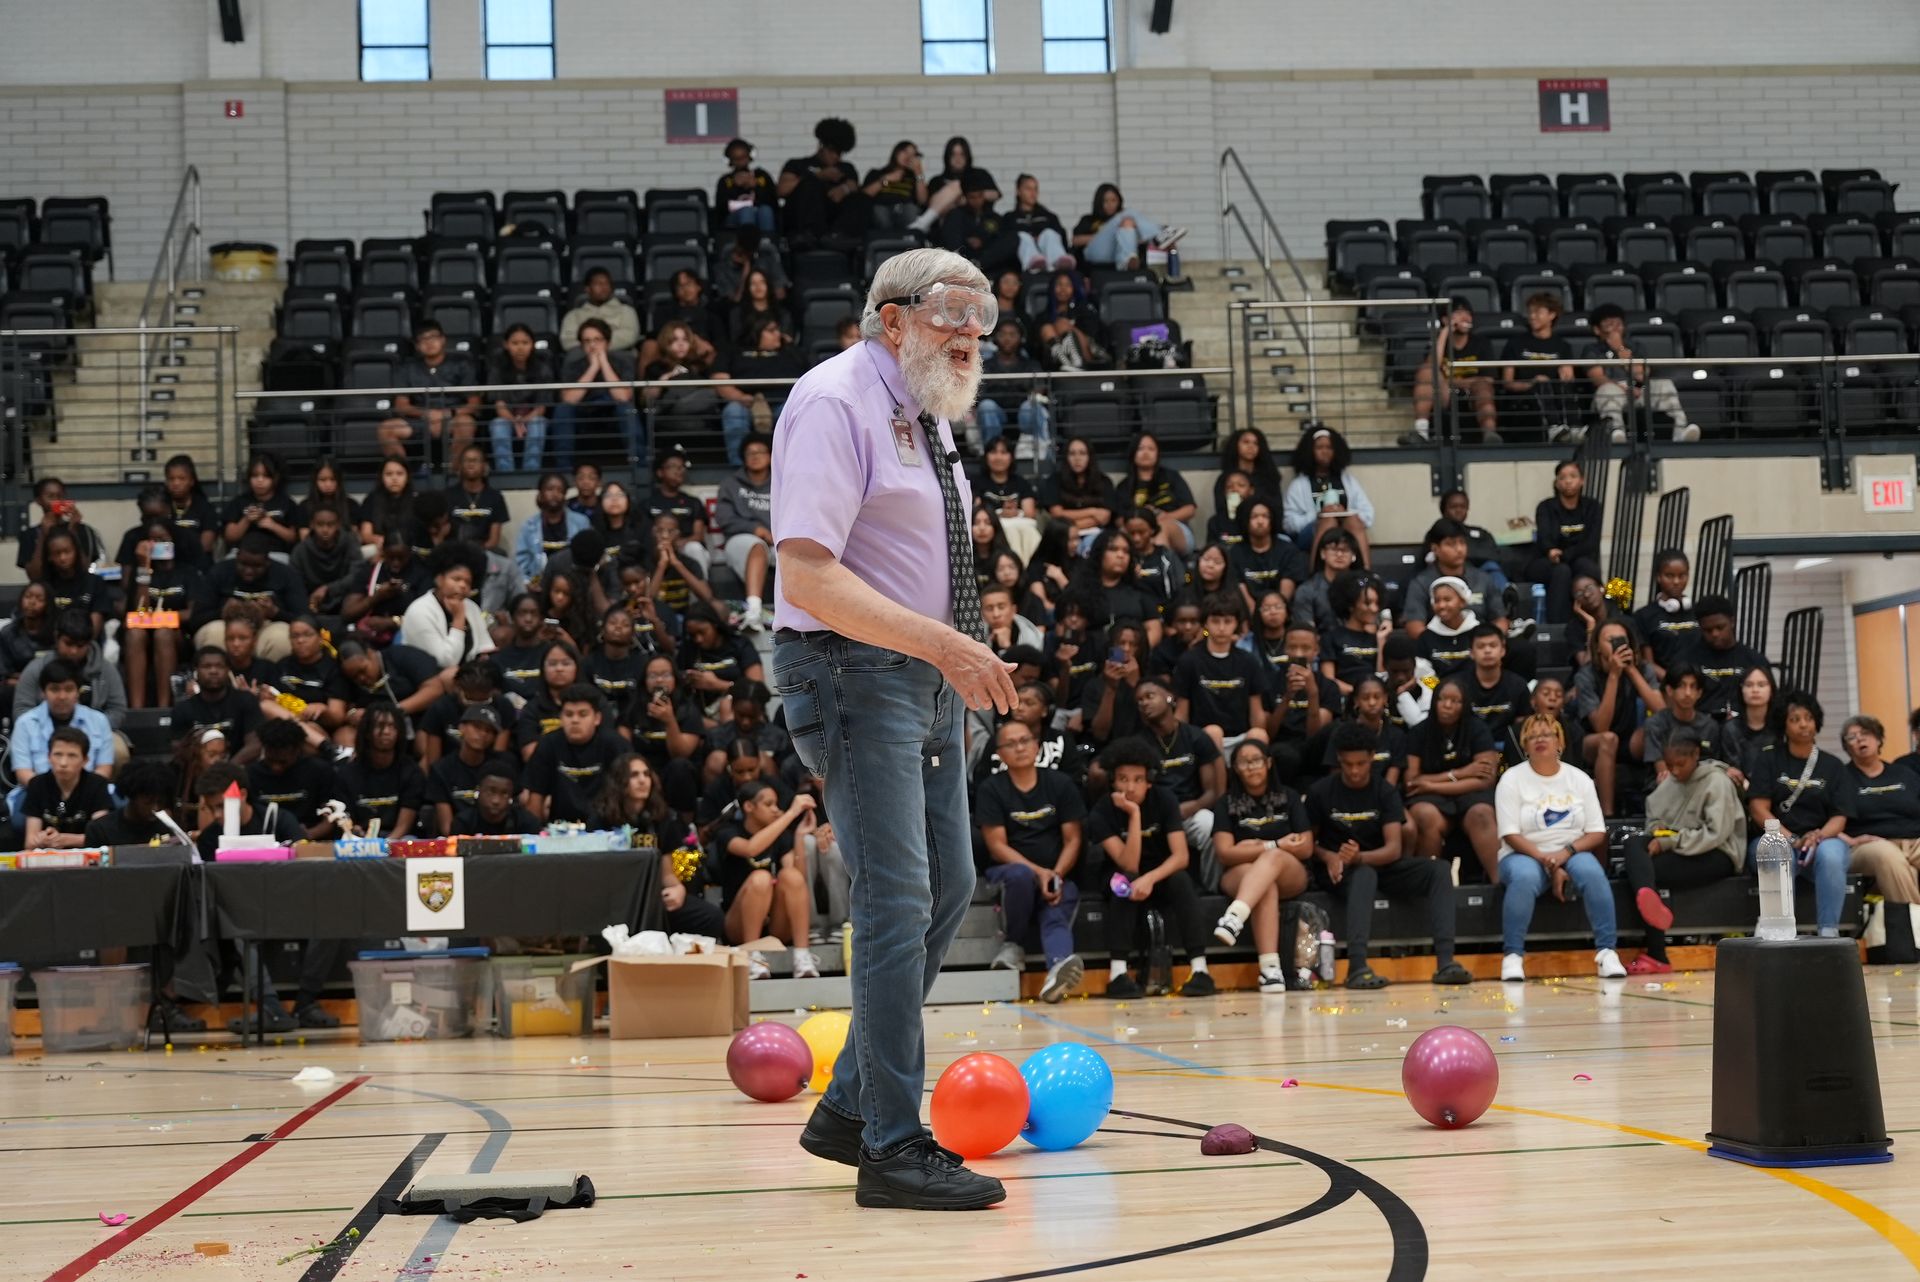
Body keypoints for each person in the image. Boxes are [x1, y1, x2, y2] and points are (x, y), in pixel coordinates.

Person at [771, 247, 1016, 1208]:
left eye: (983, 317)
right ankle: (891, 1145)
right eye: (952, 313)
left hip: (921, 680)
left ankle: (845, 1108)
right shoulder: (836, 402)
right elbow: (808, 573)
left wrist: (953, 657)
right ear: (890, 319)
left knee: (949, 886)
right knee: (894, 901)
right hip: (849, 669)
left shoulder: (929, 413)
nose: (969, 333)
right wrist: (946, 646)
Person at [1307, 722, 1473, 989]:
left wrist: (1359, 857)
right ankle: (1357, 967)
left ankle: (1446, 963)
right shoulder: (1321, 792)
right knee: (1364, 874)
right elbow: (1307, 843)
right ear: (1339, 759)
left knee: (1439, 870)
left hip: (1377, 863)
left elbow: (1393, 848)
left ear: (1372, 758)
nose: (1354, 771)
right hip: (1341, 873)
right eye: (1348, 764)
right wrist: (1329, 857)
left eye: (1360, 763)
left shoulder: (1384, 791)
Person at [1495, 713, 1624, 980]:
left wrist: (1565, 853)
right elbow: (1509, 834)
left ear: (1560, 742)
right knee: (1525, 876)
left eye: (1546, 734)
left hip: (1571, 850)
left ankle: (1607, 953)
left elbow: (1596, 831)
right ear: (1524, 745)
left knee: (1591, 872)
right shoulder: (1511, 779)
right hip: (1523, 852)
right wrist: (1545, 859)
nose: (1540, 739)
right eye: (1532, 736)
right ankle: (1513, 956)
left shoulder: (1579, 779)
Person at [1086, 737, 1216, 999]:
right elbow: (1128, 863)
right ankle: (1118, 974)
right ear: (1113, 781)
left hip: (1160, 871)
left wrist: (1151, 879)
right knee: (1123, 882)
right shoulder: (1101, 811)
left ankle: (1200, 969)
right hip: (1119, 874)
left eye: (1137, 780)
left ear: (1149, 781)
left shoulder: (1165, 799)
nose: (1130, 787)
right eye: (1123, 779)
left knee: (1181, 880)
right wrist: (1134, 815)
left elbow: (1180, 857)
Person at [976, 719, 1087, 1002]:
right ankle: (1013, 945)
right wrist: (1039, 872)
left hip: (1056, 871)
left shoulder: (1060, 784)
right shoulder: (991, 789)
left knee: (1056, 907)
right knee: (1020, 877)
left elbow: (1073, 839)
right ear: (999, 754)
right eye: (1011, 744)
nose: (1020, 748)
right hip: (1010, 874)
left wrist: (1056, 874)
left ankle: (1057, 971)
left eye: (1025, 740)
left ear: (1037, 746)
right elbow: (997, 845)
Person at [1620, 728, 1744, 973]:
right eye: (1669, 764)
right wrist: (1659, 832)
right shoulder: (1669, 784)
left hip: (1718, 853)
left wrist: (1669, 842)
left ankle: (1657, 953)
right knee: (1633, 845)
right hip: (1680, 848)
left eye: (1681, 764)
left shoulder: (1717, 781)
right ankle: (1647, 896)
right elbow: (1653, 820)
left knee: (1640, 871)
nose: (1675, 771)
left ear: (1696, 754)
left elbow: (1715, 834)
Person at [1748, 691, 1854, 938]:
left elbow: (1840, 816)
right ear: (1783, 724)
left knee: (1832, 855)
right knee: (1779, 854)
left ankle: (1829, 932)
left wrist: (1818, 836)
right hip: (1775, 837)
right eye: (1795, 719)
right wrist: (1790, 839)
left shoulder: (1833, 765)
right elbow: (1758, 808)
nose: (1804, 724)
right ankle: (1777, 931)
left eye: (1808, 718)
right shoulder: (1769, 758)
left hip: (1821, 840)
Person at [1209, 740, 1313, 989]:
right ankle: (1270, 971)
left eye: (1256, 760)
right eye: (1244, 762)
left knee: (1273, 859)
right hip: (1240, 873)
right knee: (1265, 882)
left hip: (1290, 871)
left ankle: (1235, 916)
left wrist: (1257, 848)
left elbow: (1306, 846)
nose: (1251, 767)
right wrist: (1276, 843)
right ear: (1234, 768)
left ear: (1268, 763)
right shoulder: (1226, 803)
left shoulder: (1288, 797)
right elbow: (1224, 853)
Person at [598, 753, 729, 938]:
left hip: (654, 897)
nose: (642, 780)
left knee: (712, 918)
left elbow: (668, 870)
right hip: (615, 900)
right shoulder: (601, 817)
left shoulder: (662, 816)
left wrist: (678, 889)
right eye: (634, 775)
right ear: (619, 781)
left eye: (646, 774)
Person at [711, 781, 821, 974]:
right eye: (769, 804)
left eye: (777, 804)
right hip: (738, 925)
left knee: (790, 876)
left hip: (775, 925)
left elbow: (798, 880)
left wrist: (798, 837)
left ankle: (802, 956)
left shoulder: (781, 835)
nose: (775, 809)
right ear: (749, 807)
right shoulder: (728, 832)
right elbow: (750, 848)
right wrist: (790, 814)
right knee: (760, 878)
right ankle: (753, 955)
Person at [1404, 680, 1502, 879]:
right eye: (1442, 699)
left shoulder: (1478, 729)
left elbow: (1486, 780)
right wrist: (1463, 773)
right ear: (1434, 702)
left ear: (1464, 704)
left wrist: (1431, 783)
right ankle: (1429, 886)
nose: (1447, 705)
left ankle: (1499, 883)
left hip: (1470, 795)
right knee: (1423, 814)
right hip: (1433, 800)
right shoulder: (1419, 732)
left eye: (1455, 701)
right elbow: (1412, 783)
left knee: (1482, 813)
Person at [1584, 303, 1700, 443]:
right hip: (1613, 392)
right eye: (1609, 324)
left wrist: (1620, 350)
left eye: (1619, 324)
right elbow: (1598, 378)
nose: (1615, 329)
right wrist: (1625, 389)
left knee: (1664, 385)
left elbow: (1641, 375)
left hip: (1639, 390)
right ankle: (1615, 432)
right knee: (1607, 390)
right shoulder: (1591, 350)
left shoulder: (1636, 346)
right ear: (1597, 330)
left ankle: (1680, 431)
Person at [643, 320, 754, 466]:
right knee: (683, 395)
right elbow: (648, 399)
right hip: (669, 416)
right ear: (665, 342)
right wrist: (666, 379)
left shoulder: (700, 366)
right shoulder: (656, 367)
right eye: (674, 340)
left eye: (685, 340)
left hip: (699, 414)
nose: (681, 344)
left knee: (711, 394)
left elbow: (713, 392)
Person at [1840, 715, 1920, 914]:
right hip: (1866, 846)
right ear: (1847, 747)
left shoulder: (1904, 774)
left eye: (1865, 734)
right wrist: (1850, 840)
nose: (1860, 739)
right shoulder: (1840, 778)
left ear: (1878, 739)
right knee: (1888, 856)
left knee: (1904, 865)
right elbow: (1826, 823)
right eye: (1852, 737)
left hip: (1912, 841)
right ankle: (1915, 932)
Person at [379, 320, 480, 472]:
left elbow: (474, 403)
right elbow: (401, 405)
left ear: (443, 339)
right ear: (417, 346)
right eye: (423, 339)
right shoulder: (408, 368)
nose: (429, 343)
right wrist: (426, 414)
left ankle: (454, 475)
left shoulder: (462, 365)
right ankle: (404, 476)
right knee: (386, 429)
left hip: (452, 418)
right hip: (420, 420)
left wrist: (447, 414)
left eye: (433, 337)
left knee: (466, 424)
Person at [1173, 591, 1270, 752]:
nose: (1222, 628)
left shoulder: (1248, 661)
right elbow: (1182, 711)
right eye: (1215, 621)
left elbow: (1257, 712)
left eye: (1228, 621)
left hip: (1240, 739)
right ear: (1205, 623)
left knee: (1259, 734)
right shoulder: (1189, 661)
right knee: (1214, 732)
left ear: (1236, 624)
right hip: (1203, 738)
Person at [524, 684, 627, 825]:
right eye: (569, 714)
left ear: (597, 718)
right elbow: (536, 796)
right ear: (561, 717)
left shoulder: (615, 745)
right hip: (560, 828)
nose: (575, 720)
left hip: (607, 827)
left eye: (583, 714)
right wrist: (535, 835)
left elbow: (627, 794)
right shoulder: (548, 744)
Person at [1403, 299, 1501, 446]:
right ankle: (1421, 432)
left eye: (1467, 314)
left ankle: (1490, 435)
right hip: (1445, 393)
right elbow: (1432, 367)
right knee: (1425, 371)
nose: (1465, 318)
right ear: (1445, 319)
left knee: (1482, 387)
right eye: (1459, 314)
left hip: (1473, 393)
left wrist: (1460, 382)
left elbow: (1489, 379)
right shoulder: (1438, 343)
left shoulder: (1481, 342)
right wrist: (1444, 332)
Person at [553, 319, 643, 471]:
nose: (592, 345)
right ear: (581, 345)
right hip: (583, 412)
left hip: (613, 411)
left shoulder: (623, 361)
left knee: (626, 409)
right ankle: (564, 469)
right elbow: (568, 399)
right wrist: (593, 368)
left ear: (607, 342)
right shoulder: (573, 364)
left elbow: (622, 396)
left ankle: (640, 467)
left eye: (597, 340)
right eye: (587, 341)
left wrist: (604, 363)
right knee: (563, 410)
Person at [1524, 460, 1604, 626]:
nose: (1568, 481)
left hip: (1578, 557)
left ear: (1582, 480)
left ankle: (1600, 619)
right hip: (1546, 561)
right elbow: (1545, 539)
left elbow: (1591, 542)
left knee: (1587, 567)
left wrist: (1567, 553)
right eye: (1563, 477)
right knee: (1561, 571)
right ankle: (1558, 625)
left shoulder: (1592, 507)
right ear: (1557, 483)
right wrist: (1552, 551)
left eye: (1573, 476)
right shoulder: (1545, 507)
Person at [399, 542, 496, 670]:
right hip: (431, 677)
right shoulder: (419, 611)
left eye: (467, 582)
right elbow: (446, 661)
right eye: (456, 579)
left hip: (468, 677)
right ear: (439, 579)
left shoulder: (471, 607)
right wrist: (458, 619)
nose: (463, 585)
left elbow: (485, 646)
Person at [1283, 427, 1375, 561]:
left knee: (1354, 521)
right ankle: (1315, 572)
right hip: (1309, 534)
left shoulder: (1347, 480)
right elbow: (1288, 524)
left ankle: (1366, 574)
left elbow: (1368, 514)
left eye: (1329, 448)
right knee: (1328, 521)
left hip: (1344, 529)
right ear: (1310, 451)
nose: (1325, 452)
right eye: (1319, 448)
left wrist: (1345, 512)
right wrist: (1318, 515)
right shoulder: (1299, 485)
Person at [1499, 293, 1580, 442]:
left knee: (1563, 386)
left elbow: (1570, 377)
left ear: (1552, 315)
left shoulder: (1562, 346)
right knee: (1541, 382)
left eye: (1538, 312)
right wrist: (1530, 384)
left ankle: (1573, 428)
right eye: (1530, 312)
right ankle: (1553, 427)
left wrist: (1567, 376)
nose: (1532, 316)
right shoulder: (1515, 344)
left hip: (1555, 393)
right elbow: (1507, 382)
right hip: (1525, 396)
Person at [716, 434, 776, 631]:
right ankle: (754, 611)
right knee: (755, 545)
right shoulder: (731, 484)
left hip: (778, 540)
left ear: (770, 455)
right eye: (750, 453)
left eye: (760, 452)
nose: (755, 456)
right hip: (740, 540)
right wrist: (754, 529)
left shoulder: (782, 481)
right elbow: (724, 518)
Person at [1679, 595, 1771, 721]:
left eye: (1720, 627)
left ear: (1732, 622)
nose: (1715, 634)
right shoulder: (1688, 660)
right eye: (1708, 630)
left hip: (1743, 729)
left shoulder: (1755, 660)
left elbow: (1770, 700)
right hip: (1700, 728)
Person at [246, 718, 339, 839]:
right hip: (265, 840)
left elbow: (331, 817)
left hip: (310, 838)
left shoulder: (319, 771)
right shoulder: (251, 774)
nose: (276, 768)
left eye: (283, 762)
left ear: (297, 750)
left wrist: (305, 836)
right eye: (270, 760)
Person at [21, 726, 112, 849]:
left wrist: (66, 840)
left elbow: (103, 837)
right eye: (58, 754)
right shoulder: (37, 784)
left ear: (85, 760)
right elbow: (29, 843)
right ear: (48, 757)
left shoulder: (97, 784)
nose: (63, 763)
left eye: (72, 756)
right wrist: (41, 839)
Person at [778, 116, 868, 240]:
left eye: (840, 152)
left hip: (834, 220)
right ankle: (809, 234)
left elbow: (854, 185)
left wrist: (844, 189)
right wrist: (817, 176)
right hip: (804, 221)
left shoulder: (845, 168)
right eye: (832, 151)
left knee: (860, 199)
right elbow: (782, 190)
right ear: (821, 146)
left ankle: (839, 235)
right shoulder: (798, 164)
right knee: (809, 186)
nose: (836, 156)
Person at [171, 647, 262, 758]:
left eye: (219, 666)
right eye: (206, 666)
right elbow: (178, 749)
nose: (213, 671)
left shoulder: (246, 701)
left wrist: (225, 769)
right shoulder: (182, 709)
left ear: (228, 670)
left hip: (238, 770)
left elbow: (255, 746)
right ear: (196, 671)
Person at [1635, 663, 1723, 778]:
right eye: (1682, 686)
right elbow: (1662, 770)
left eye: (1692, 687)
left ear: (1699, 693)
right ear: (1670, 690)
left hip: (1701, 784)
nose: (1687, 693)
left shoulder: (1710, 726)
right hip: (1666, 785)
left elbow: (1713, 766)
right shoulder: (1655, 724)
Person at [976, 319, 1049, 454]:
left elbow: (1040, 388)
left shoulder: (1031, 364)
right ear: (995, 337)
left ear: (1021, 338)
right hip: (997, 413)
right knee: (987, 406)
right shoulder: (985, 365)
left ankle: (1037, 454)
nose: (1007, 339)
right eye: (1003, 334)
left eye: (1012, 335)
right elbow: (979, 394)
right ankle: (992, 452)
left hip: (1023, 414)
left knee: (1031, 406)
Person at [1072, 183, 1184, 271]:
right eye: (1105, 201)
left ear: (1119, 201)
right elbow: (1075, 241)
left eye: (1113, 200)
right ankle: (1159, 234)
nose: (1110, 204)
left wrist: (1126, 234)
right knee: (1128, 214)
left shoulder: (1126, 221)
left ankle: (1127, 261)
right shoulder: (1089, 219)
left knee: (1127, 222)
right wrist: (1109, 234)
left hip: (1116, 255)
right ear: (1098, 202)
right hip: (1096, 253)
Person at [1039, 436, 1116, 559]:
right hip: (1063, 535)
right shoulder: (1054, 481)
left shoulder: (1104, 481)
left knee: (1093, 546)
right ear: (1066, 457)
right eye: (1072, 453)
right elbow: (1057, 514)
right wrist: (1092, 511)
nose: (1077, 458)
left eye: (1082, 453)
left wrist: (1071, 520)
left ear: (1089, 457)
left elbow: (1104, 518)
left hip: (1095, 533)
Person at [1123, 431, 1198, 556]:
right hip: (1137, 531)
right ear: (1133, 454)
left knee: (1161, 528)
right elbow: (1120, 519)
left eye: (1151, 449)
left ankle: (1160, 571)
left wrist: (1165, 517)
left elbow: (1190, 509)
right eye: (1141, 448)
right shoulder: (1125, 485)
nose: (1146, 453)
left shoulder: (1171, 477)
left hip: (1176, 529)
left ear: (1157, 453)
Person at [1320, 570, 1389, 696]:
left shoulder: (1380, 637)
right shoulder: (1331, 637)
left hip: (1376, 701)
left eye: (1376, 603)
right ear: (1351, 605)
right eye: (1367, 603)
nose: (1374, 609)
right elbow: (1328, 680)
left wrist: (1382, 641)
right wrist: (1359, 695)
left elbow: (1383, 676)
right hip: (1344, 700)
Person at [513, 470, 591, 581]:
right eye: (550, 489)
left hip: (574, 581)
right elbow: (521, 562)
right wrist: (528, 582)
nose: (555, 494)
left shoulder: (581, 522)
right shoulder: (529, 526)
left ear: (564, 495)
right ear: (540, 493)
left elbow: (587, 557)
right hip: (539, 581)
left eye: (560, 490)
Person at [221, 451, 299, 557]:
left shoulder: (286, 502)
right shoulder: (239, 502)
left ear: (275, 478)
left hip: (275, 553)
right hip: (242, 553)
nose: (260, 480)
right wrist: (246, 520)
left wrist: (272, 525)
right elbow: (229, 537)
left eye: (266, 476)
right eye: (255, 476)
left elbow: (293, 538)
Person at [1632, 548, 1698, 674]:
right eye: (1669, 576)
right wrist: (1673, 683)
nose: (1676, 581)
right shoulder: (1644, 616)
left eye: (1682, 575)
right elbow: (1647, 662)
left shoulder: (1698, 611)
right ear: (1658, 577)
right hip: (1664, 686)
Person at [1035, 268, 1110, 373]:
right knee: (1047, 328)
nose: (1063, 289)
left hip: (1087, 358)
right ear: (1052, 288)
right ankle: (1068, 363)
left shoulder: (1084, 311)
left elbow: (1092, 343)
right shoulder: (1043, 316)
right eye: (1059, 284)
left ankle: (1077, 362)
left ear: (1074, 288)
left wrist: (1068, 327)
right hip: (1055, 364)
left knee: (1062, 324)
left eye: (1068, 285)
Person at [1719, 665, 1782, 788]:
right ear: (1741, 690)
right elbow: (1733, 769)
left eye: (1761, 685)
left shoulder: (1780, 727)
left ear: (1772, 690)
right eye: (1749, 685)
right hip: (1739, 790)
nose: (1755, 690)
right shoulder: (1730, 728)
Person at [1438, 488, 1510, 594]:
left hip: (1481, 573)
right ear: (1444, 509)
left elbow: (1494, 554)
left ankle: (1507, 595)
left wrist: (1468, 555)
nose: (1459, 510)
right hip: (1451, 574)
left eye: (1463, 507)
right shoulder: (1437, 533)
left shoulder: (1480, 532)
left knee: (1491, 566)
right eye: (1454, 507)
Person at [443, 443, 510, 551]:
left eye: (475, 460)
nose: (471, 464)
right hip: (454, 553)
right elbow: (442, 533)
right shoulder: (447, 495)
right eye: (467, 460)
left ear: (484, 465)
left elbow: (493, 540)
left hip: (484, 553)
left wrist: (477, 554)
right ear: (460, 465)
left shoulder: (495, 497)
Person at [1007, 173, 1075, 272]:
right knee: (1022, 236)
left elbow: (1061, 236)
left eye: (1035, 189)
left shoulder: (1049, 216)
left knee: (1049, 233)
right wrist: (1032, 239)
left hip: (1049, 260)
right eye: (1028, 189)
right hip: (1021, 262)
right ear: (1018, 191)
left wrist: (1040, 238)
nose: (1033, 193)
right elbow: (1005, 243)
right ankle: (1035, 262)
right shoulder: (1009, 218)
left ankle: (1059, 262)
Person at [451, 762, 541, 836]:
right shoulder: (463, 823)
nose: (496, 800)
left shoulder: (527, 824)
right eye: (491, 791)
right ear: (479, 790)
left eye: (504, 793)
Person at [163, 454, 222, 564]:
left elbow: (206, 546)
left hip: (197, 566)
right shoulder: (161, 507)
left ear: (191, 481)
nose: (176, 483)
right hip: (168, 564)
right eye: (171, 479)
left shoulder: (205, 508)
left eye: (182, 478)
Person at [716, 137, 778, 232]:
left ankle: (767, 242)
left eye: (743, 157)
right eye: (736, 159)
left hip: (760, 213)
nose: (741, 162)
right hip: (734, 219)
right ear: (729, 160)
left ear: (750, 156)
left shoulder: (762, 176)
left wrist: (755, 186)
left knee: (765, 211)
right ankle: (748, 245)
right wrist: (736, 187)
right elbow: (721, 209)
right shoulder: (725, 180)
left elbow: (773, 202)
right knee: (747, 211)